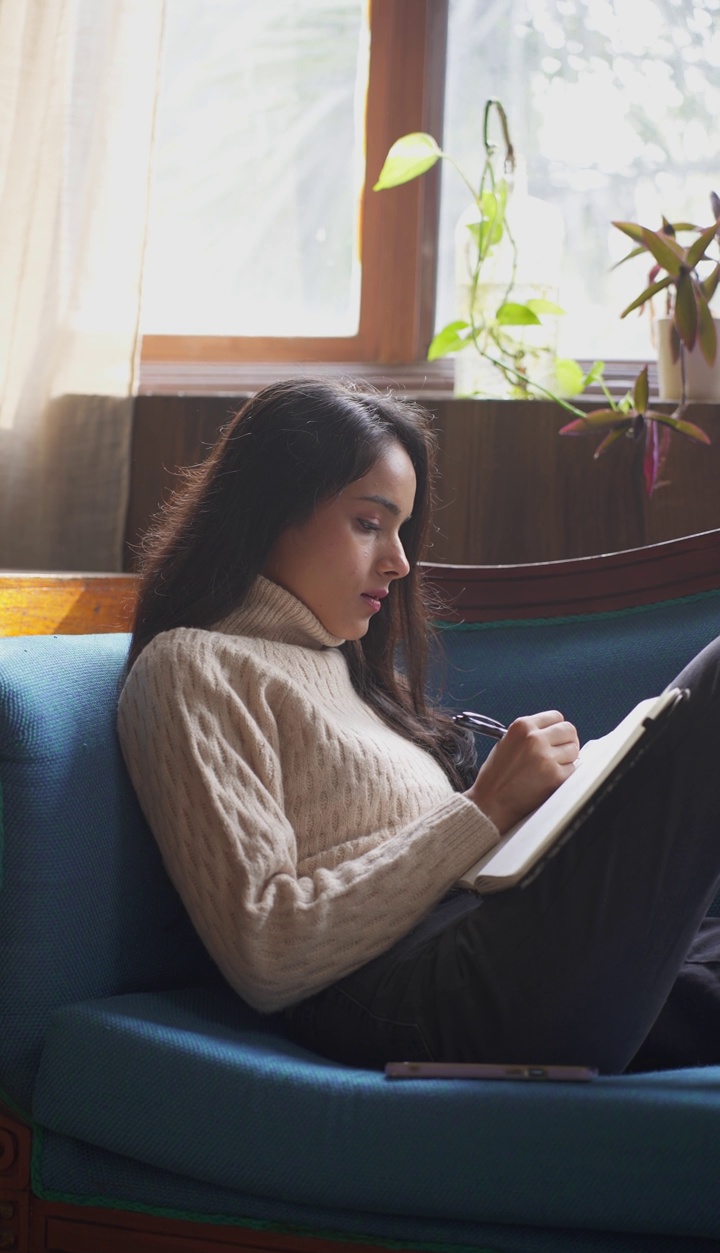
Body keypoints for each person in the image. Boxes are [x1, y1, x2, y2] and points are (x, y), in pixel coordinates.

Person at [118, 377, 720, 1076]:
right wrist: (485, 807)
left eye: (401, 529)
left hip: (484, 944)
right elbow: (267, 951)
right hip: (424, 993)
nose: (399, 561)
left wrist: (552, 810)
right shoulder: (192, 667)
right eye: (369, 523)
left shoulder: (346, 668)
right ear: (269, 513)